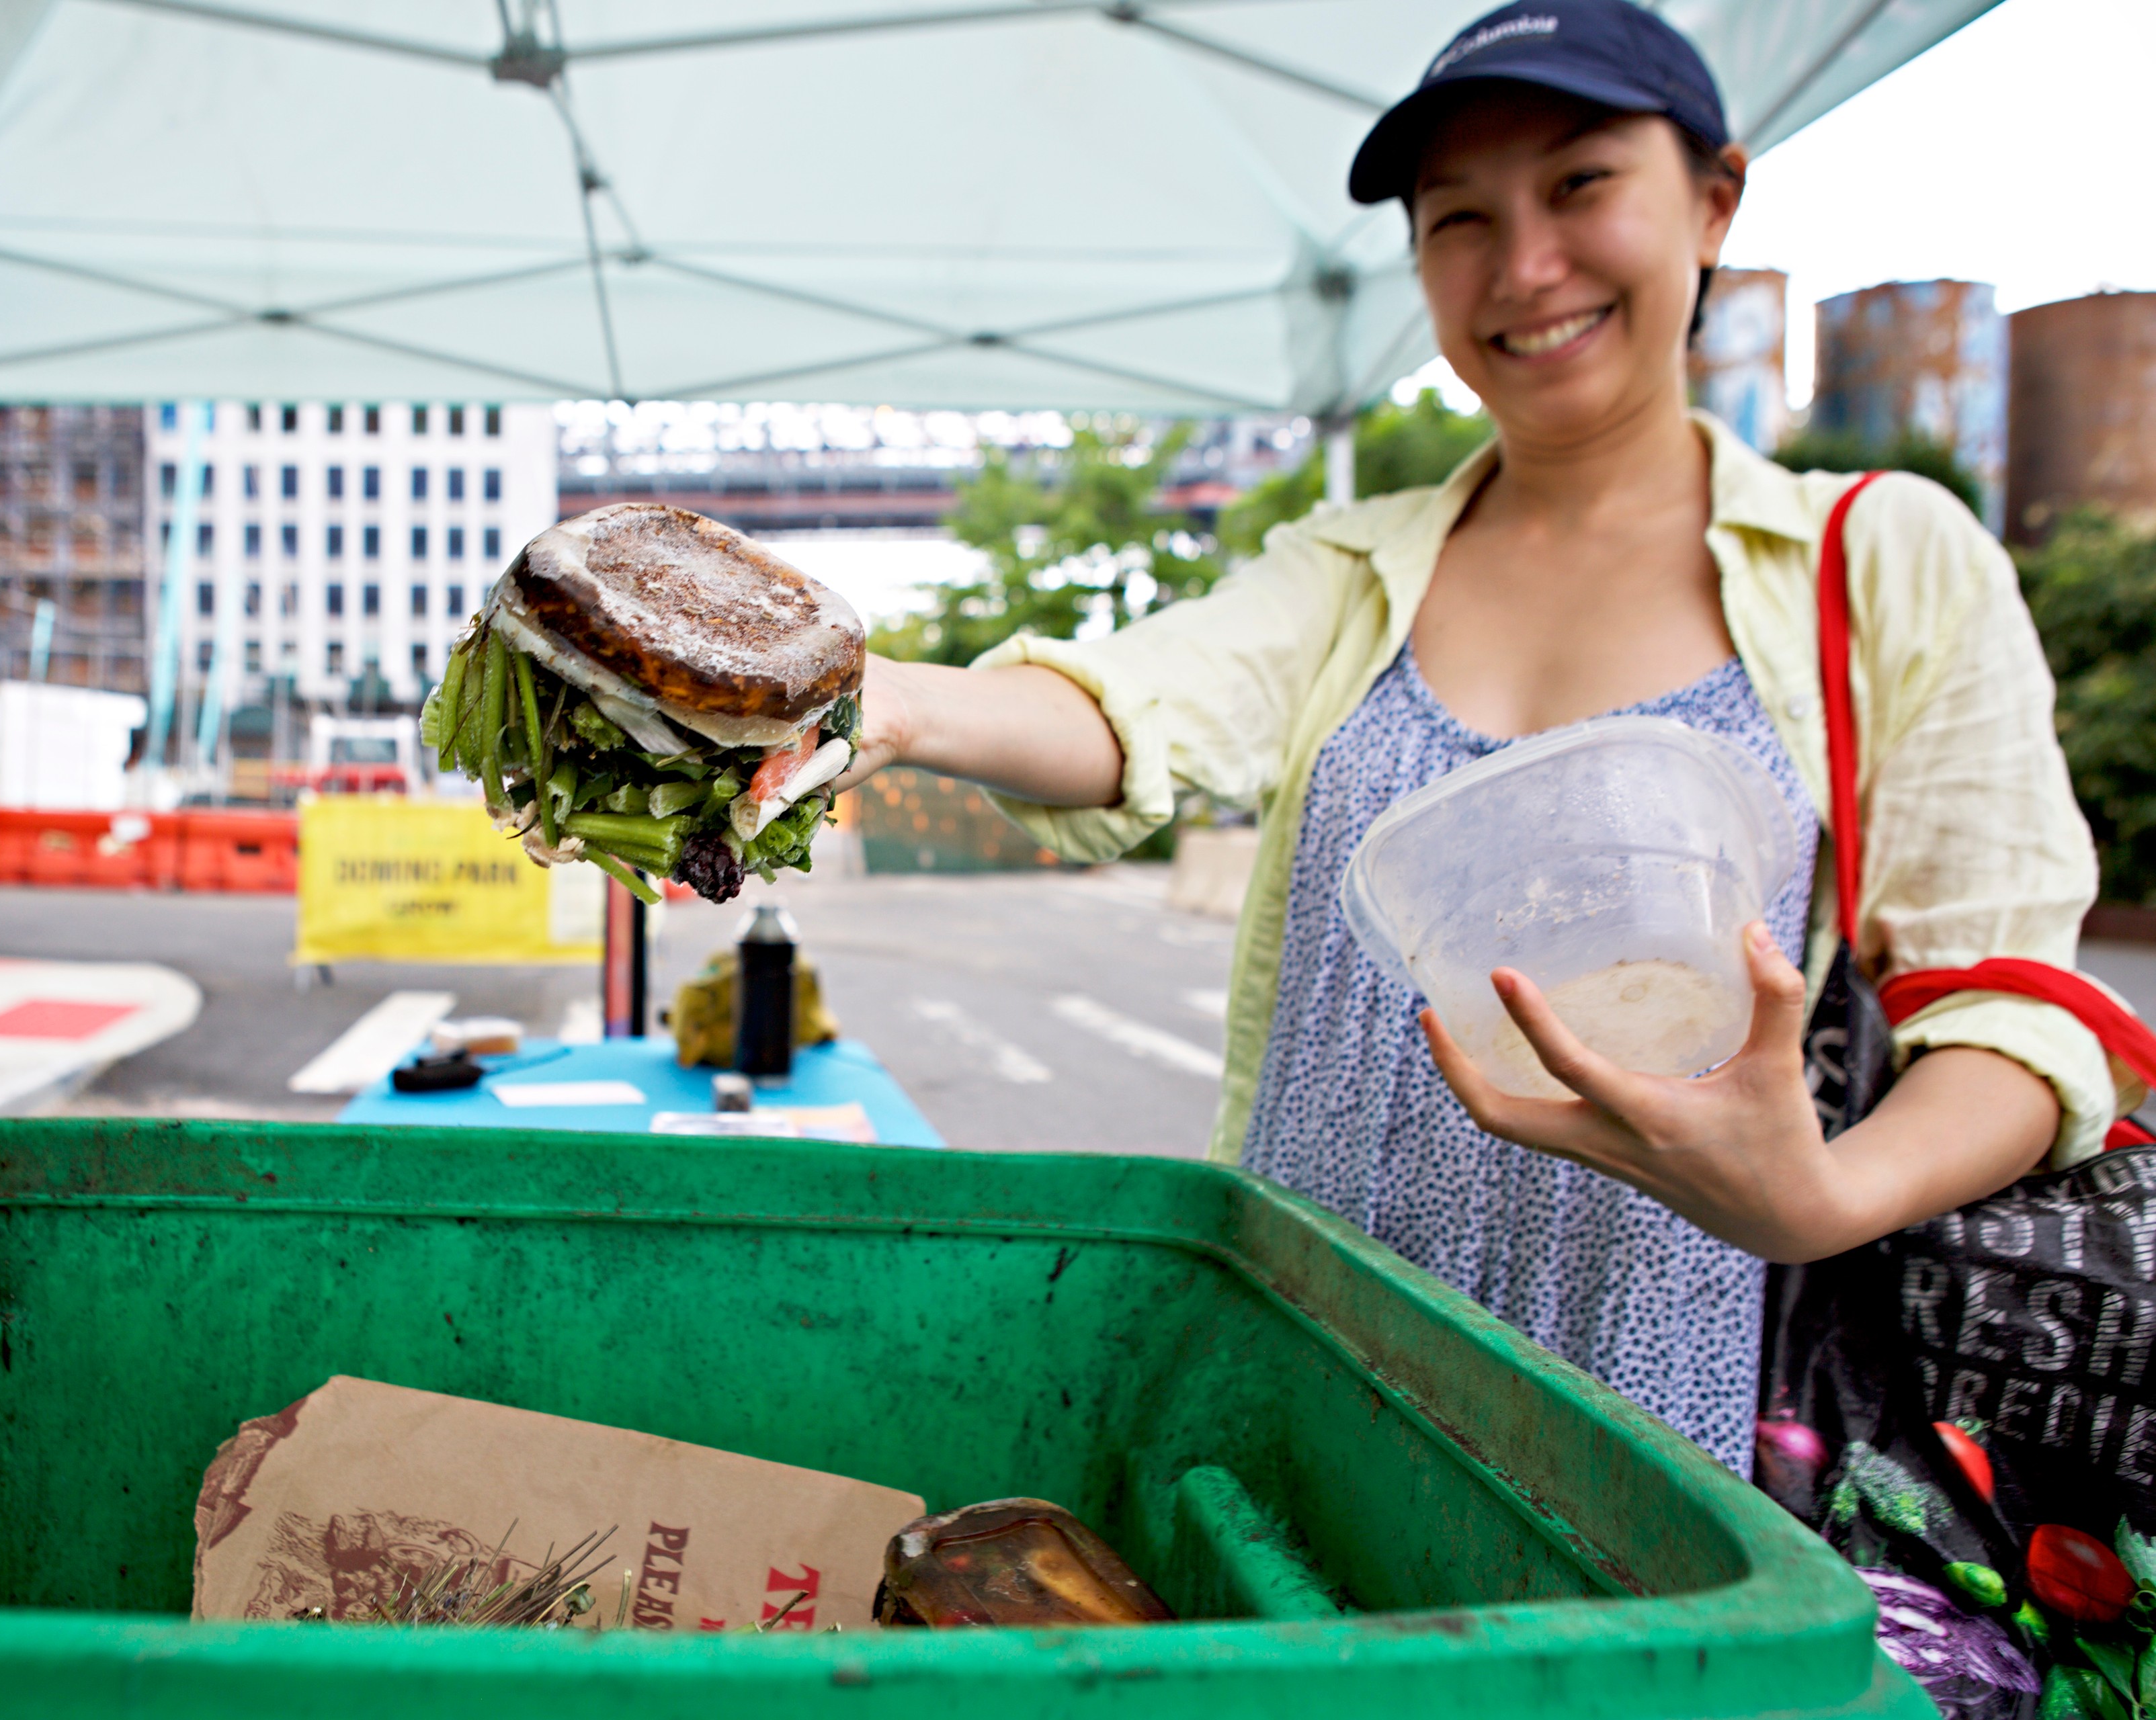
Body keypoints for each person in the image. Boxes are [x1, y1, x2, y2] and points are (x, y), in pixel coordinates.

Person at [833, 0, 2124, 1470]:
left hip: (1648, 1407)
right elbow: (1135, 705)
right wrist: (899, 700)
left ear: (1715, 201)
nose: (1524, 268)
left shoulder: (1879, 556)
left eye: (1581, 186)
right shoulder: (1353, 562)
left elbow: (2018, 1007)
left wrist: (1813, 1195)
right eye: (1460, 220)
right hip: (1303, 1342)